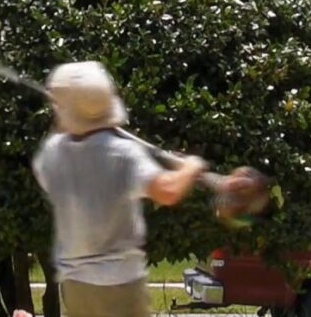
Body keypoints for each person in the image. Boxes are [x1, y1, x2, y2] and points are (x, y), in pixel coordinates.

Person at [32, 61, 247, 317]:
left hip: (76, 285)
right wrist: (191, 166)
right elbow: (167, 191)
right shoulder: (123, 153)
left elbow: (65, 143)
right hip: (122, 283)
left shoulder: (52, 153)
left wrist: (68, 111)